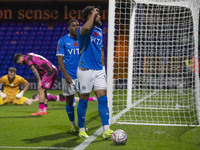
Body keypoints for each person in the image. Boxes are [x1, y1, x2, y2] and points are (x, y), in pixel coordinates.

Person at [76, 6, 113, 139]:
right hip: (85, 69)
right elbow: (86, 28)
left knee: (103, 99)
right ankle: (81, 129)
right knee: (84, 101)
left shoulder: (98, 30)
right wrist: (93, 13)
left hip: (98, 70)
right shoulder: (82, 30)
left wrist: (103, 68)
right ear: (89, 17)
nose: (99, 17)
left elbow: (101, 50)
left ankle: (106, 129)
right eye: (96, 15)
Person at [57, 19, 80, 133]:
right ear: (68, 28)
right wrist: (65, 74)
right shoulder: (62, 41)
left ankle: (81, 126)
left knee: (83, 100)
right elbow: (60, 59)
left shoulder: (83, 38)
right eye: (73, 26)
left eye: (77, 25)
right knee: (69, 101)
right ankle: (73, 125)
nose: (76, 27)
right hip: (69, 75)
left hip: (82, 74)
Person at [31, 93, 97, 103]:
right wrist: (31, 100)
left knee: (77, 99)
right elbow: (36, 100)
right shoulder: (40, 98)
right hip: (61, 98)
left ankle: (93, 98)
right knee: (77, 99)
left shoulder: (43, 95)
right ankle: (93, 98)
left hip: (60, 96)